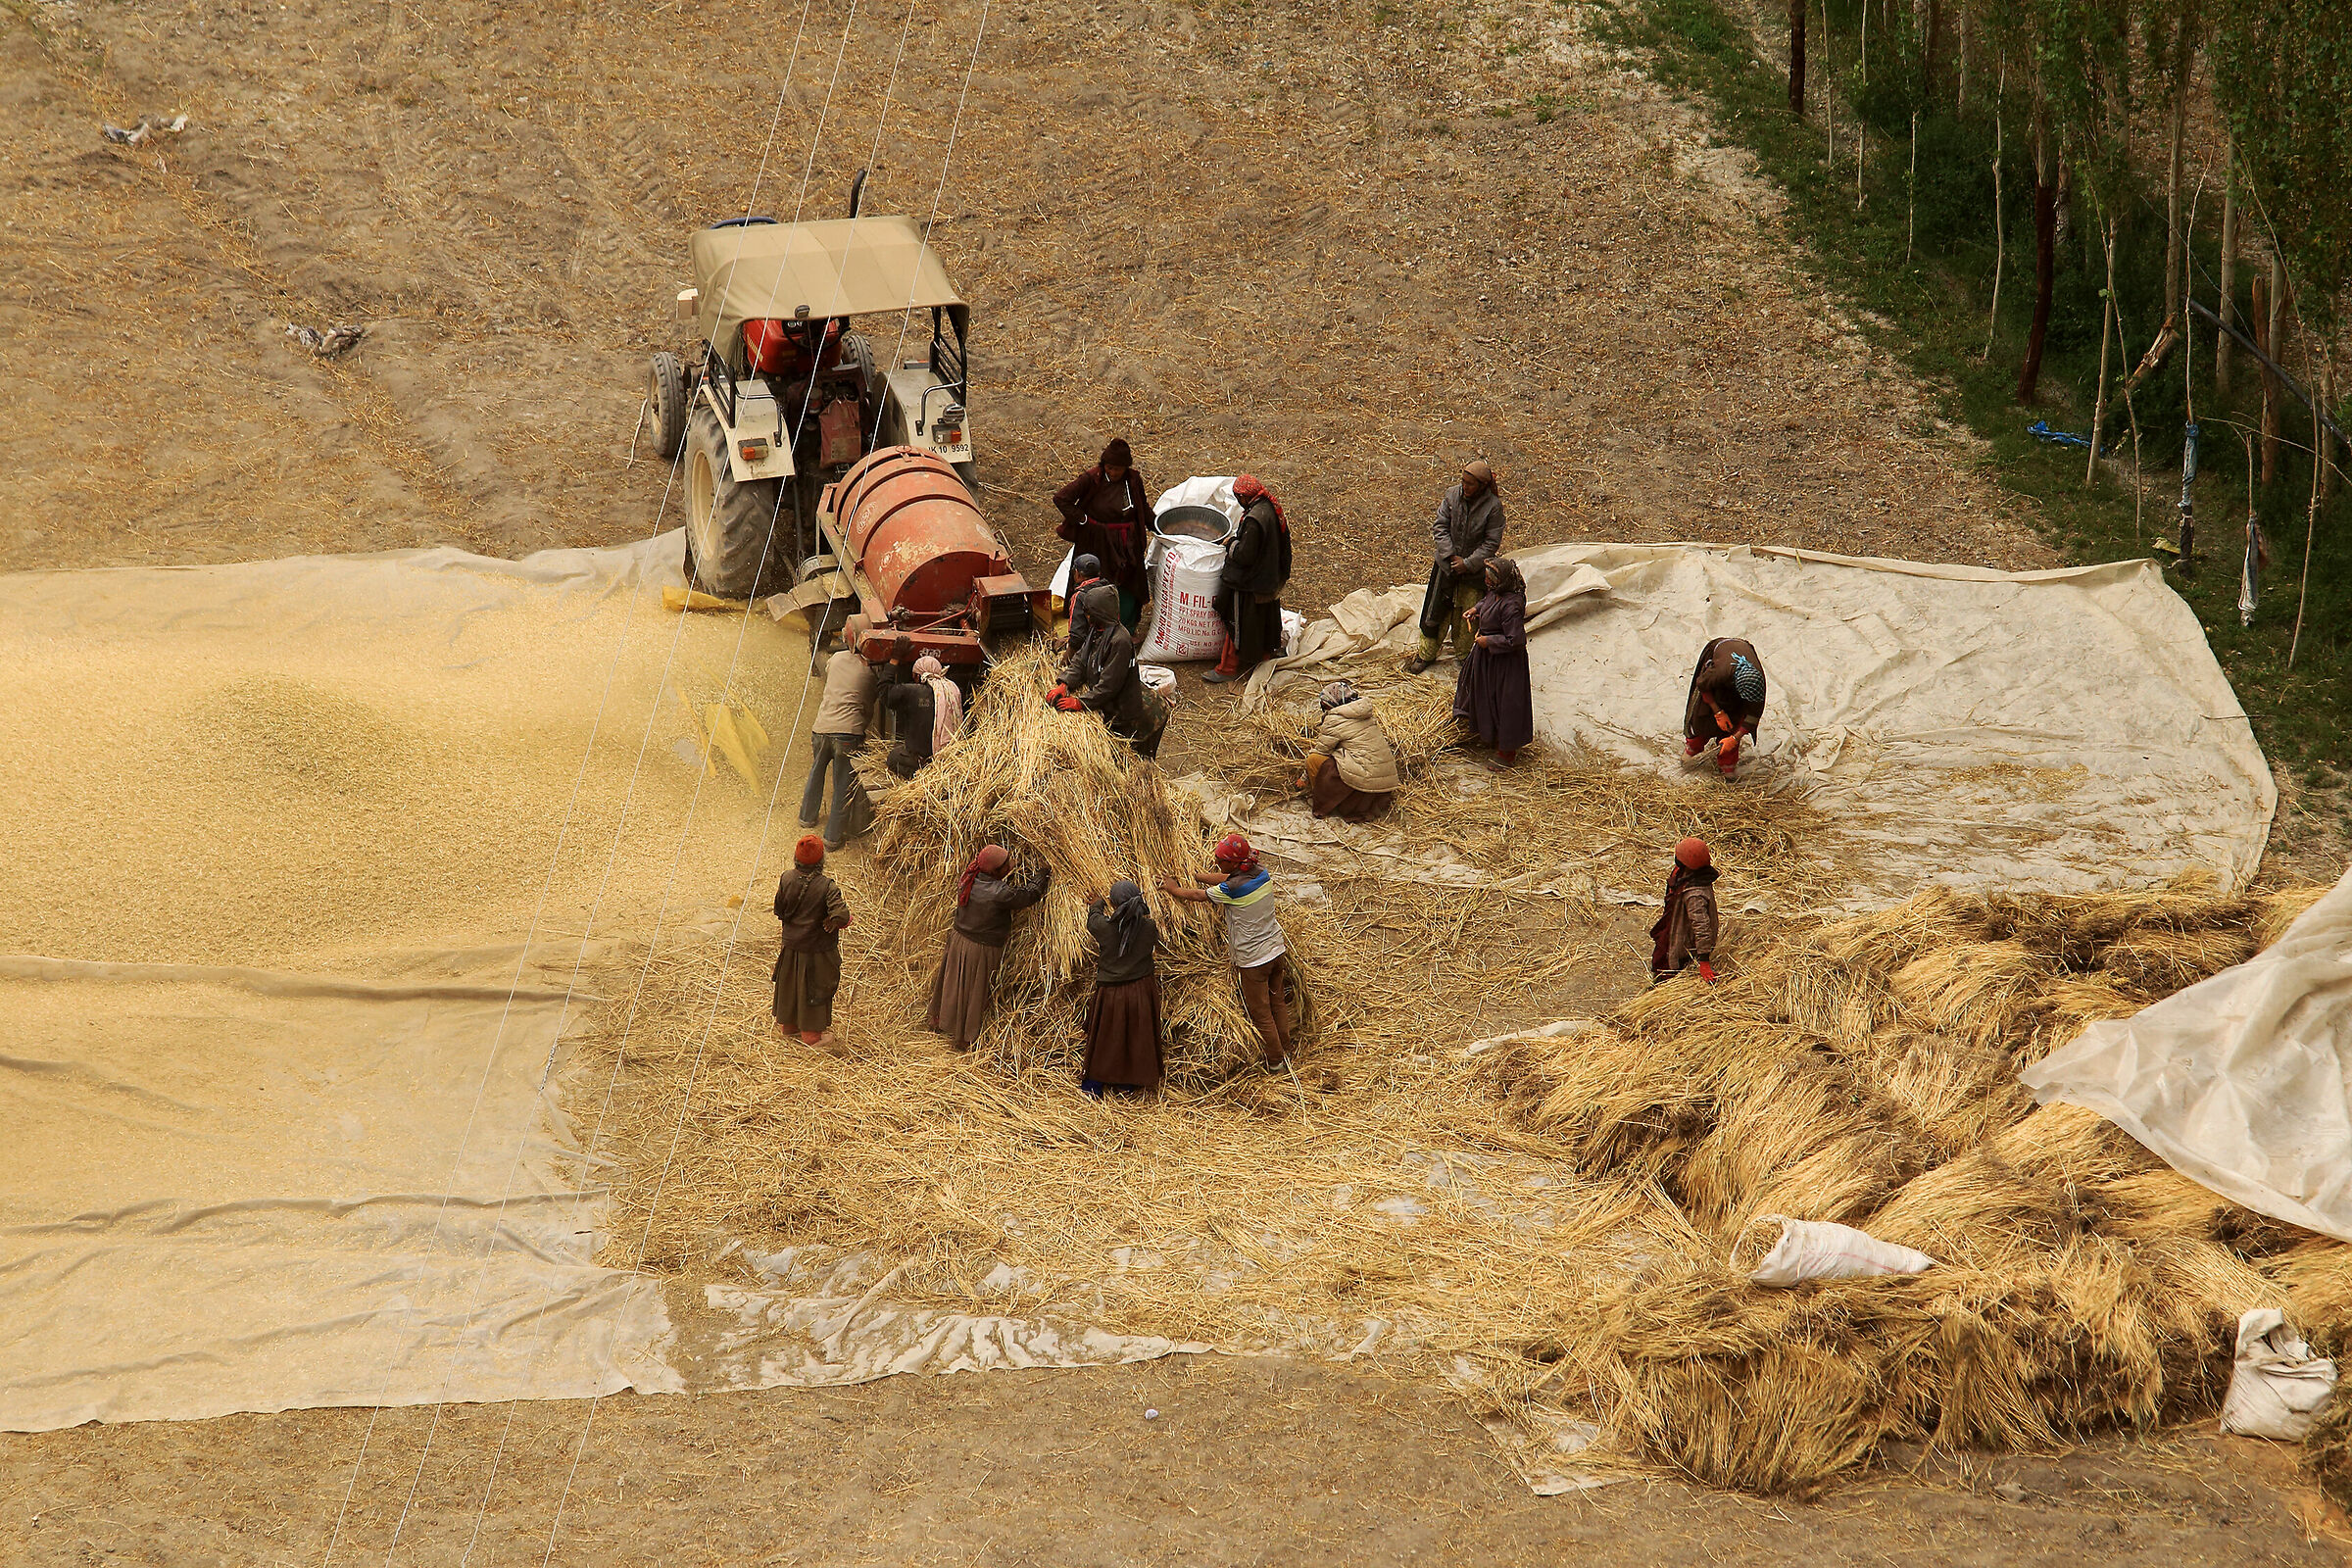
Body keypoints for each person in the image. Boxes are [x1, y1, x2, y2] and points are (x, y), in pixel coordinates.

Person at [1160, 832, 1291, 1069]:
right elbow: (1228, 877)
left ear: (1233, 863)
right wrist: (1198, 875)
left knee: (1261, 1014)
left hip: (1254, 961)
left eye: (1220, 860)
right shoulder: (1260, 872)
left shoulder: (1232, 890)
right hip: (1276, 949)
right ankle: (1286, 1047)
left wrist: (1173, 889)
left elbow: (1199, 896)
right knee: (1277, 1002)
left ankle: (1276, 1062)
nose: (1217, 862)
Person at [927, 845, 1051, 1050]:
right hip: (980, 947)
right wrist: (1043, 873)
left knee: (952, 983)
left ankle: (939, 1019)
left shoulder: (970, 876)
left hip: (959, 939)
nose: (1011, 865)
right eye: (1006, 864)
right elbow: (1030, 895)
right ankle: (964, 1037)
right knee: (974, 991)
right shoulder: (999, 892)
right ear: (995, 871)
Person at [1049, 581, 1169, 760]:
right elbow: (1082, 659)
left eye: (1089, 612)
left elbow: (1109, 686)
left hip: (1143, 716)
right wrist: (1065, 683)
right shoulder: (1097, 630)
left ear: (1099, 613)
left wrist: (1080, 702)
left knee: (1137, 761)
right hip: (1120, 706)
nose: (1087, 616)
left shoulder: (1120, 641)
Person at [801, 635, 900, 850]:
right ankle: (832, 838)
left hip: (820, 727)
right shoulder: (871, 673)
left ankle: (806, 817)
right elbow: (876, 699)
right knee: (842, 785)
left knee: (815, 774)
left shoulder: (836, 658)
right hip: (848, 733)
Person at [1406, 460, 1504, 674]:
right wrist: (1451, 556)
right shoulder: (1452, 495)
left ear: (1482, 486)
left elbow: (1491, 543)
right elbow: (1440, 526)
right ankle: (1426, 654)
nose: (1465, 487)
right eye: (1463, 481)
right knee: (1435, 615)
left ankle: (1465, 656)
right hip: (1446, 567)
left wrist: (1468, 563)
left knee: (1467, 615)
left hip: (1473, 573)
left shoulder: (1493, 507)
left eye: (1470, 484)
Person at [1054, 441, 1151, 631]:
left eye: (1118, 469)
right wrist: (1083, 520)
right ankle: (1095, 628)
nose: (1113, 472)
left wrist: (1157, 525)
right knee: (1098, 585)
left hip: (1126, 543)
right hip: (1098, 542)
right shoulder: (1092, 478)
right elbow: (1061, 498)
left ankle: (1126, 628)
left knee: (1129, 583)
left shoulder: (1133, 480)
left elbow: (1142, 507)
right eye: (1110, 468)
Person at [1204, 474, 1292, 685]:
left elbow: (1245, 555)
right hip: (1268, 578)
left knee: (1236, 623)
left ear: (1245, 497)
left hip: (1250, 582)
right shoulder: (1269, 507)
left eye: (1238, 497)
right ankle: (1263, 657)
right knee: (1261, 621)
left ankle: (1227, 668)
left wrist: (1230, 543)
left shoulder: (1254, 520)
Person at [1081, 880, 1162, 1098]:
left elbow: (1093, 919)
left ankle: (1095, 1083)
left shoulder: (1104, 928)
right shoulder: (1149, 927)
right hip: (1141, 990)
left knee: (1107, 1036)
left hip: (1111, 993)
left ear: (1113, 903)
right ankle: (1126, 1084)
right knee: (1135, 1036)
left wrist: (1097, 904)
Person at [1452, 556, 1534, 766]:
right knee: (1488, 698)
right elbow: (1487, 600)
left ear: (1502, 581)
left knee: (1505, 704)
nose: (1487, 583)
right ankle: (1491, 736)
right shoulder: (1496, 593)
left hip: (1506, 664)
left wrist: (1488, 641)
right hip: (1489, 661)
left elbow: (1515, 640)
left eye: (1491, 580)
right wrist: (1476, 609)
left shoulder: (1511, 606)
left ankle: (1506, 753)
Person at [772, 836, 854, 1046]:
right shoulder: (827, 886)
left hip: (791, 946)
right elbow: (842, 916)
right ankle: (812, 1037)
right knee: (814, 988)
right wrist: (833, 921)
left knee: (789, 984)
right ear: (821, 861)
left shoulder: (786, 878)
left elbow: (779, 910)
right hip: (816, 950)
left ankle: (788, 1027)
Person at [1299, 680, 1398, 821]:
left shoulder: (1335, 719)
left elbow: (1321, 751)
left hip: (1363, 783)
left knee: (1314, 760)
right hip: (1384, 786)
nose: (1324, 708)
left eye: (1324, 704)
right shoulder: (1364, 713)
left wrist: (1304, 778)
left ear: (1334, 703)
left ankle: (1323, 798)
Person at [1684, 638, 1767, 780]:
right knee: (1702, 718)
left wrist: (1734, 739)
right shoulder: (1720, 672)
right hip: (1722, 655)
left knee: (1735, 721)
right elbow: (1703, 685)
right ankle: (1693, 749)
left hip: (1738, 673)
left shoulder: (1757, 685)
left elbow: (1753, 715)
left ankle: (1727, 764)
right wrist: (1718, 712)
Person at [1649, 837, 1721, 986]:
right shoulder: (1683, 873)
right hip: (1674, 921)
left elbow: (1702, 927)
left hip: (1682, 936)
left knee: (1666, 966)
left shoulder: (1695, 894)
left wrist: (1704, 961)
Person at [880, 653, 964, 779]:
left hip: (919, 761)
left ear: (916, 676)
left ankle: (918, 776)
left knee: (893, 758)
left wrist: (893, 661)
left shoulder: (911, 691)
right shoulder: (952, 691)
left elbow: (884, 692)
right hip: (947, 760)